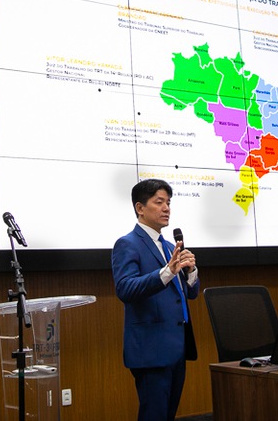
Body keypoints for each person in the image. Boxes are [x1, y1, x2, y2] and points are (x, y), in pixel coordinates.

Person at [112, 178, 200, 421]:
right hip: (151, 349)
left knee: (169, 414)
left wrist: (190, 271)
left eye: (168, 203)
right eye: (159, 202)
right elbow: (126, 289)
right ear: (140, 208)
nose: (166, 208)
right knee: (154, 414)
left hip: (177, 347)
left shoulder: (170, 246)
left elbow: (189, 293)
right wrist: (168, 272)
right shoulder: (127, 244)